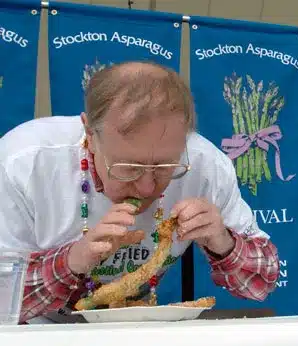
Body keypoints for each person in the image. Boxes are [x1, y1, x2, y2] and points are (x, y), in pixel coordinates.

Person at [0, 61, 279, 323]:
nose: (147, 187)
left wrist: (223, 243)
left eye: (164, 166)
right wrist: (73, 261)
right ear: (90, 134)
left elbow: (261, 285)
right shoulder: (23, 162)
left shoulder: (205, 164)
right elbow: (2, 302)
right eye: (128, 168)